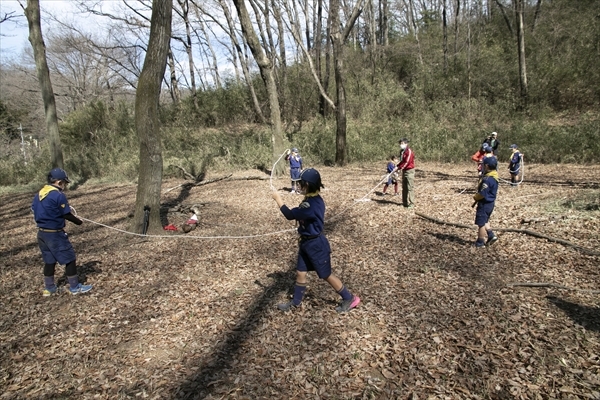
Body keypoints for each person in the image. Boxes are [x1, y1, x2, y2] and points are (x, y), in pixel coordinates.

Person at [271, 168, 360, 313]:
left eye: (301, 184)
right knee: (300, 272)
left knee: (326, 274)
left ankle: (349, 298)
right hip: (305, 243)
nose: (299, 186)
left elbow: (289, 214)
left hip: (316, 245)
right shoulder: (312, 199)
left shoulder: (311, 205)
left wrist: (278, 199)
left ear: (308, 185)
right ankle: (296, 302)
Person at [31, 168, 93, 296]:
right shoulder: (58, 195)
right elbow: (67, 215)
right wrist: (79, 222)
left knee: (49, 260)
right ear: (59, 182)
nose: (65, 186)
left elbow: (34, 209)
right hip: (55, 234)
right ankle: (75, 287)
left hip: (42, 233)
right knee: (70, 258)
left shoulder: (40, 194)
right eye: (64, 183)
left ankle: (49, 288)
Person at [473, 157, 499, 248]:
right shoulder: (495, 177)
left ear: (487, 166)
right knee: (485, 220)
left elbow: (483, 193)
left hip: (484, 203)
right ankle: (491, 235)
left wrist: (476, 197)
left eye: (483, 165)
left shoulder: (487, 180)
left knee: (481, 223)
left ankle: (480, 241)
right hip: (490, 203)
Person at [396, 138, 415, 208]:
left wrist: (400, 168)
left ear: (406, 144)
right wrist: (397, 166)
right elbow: (402, 161)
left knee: (410, 187)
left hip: (409, 171)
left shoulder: (409, 151)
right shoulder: (402, 151)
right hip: (404, 171)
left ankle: (412, 203)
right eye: (400, 143)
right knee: (404, 187)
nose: (401, 145)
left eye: (402, 143)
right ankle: (404, 202)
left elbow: (407, 162)